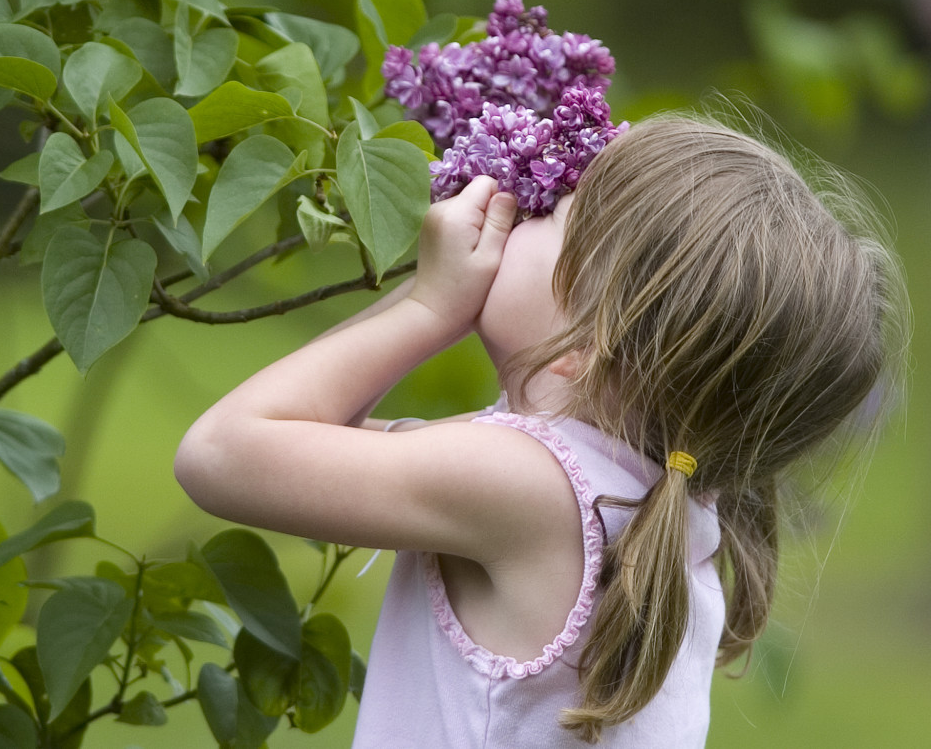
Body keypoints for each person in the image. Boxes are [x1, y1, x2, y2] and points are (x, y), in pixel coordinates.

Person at [174, 115, 908, 747]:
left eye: (553, 217)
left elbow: (222, 453)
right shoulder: (657, 496)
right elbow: (322, 434)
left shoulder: (525, 488)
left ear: (588, 343)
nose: (525, 207)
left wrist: (428, 307)